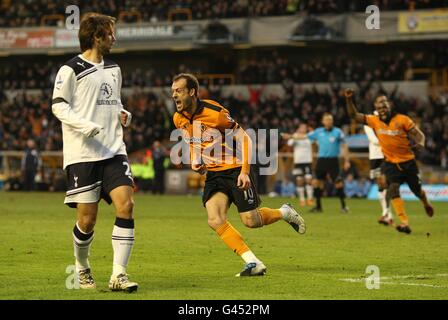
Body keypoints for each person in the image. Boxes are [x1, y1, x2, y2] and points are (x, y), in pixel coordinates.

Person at [171, 73, 306, 277]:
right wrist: (195, 158)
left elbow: (245, 139)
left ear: (192, 92)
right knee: (215, 219)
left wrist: (244, 171)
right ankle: (253, 262)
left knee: (251, 221)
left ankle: (284, 212)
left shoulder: (215, 113)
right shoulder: (178, 118)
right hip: (214, 175)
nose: (174, 95)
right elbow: (192, 140)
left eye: (178, 91)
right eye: (172, 91)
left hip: (235, 169)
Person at [51, 13, 138, 291]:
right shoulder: (70, 69)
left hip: (114, 150)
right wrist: (85, 125)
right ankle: (82, 267)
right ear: (96, 36)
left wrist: (122, 113)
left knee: (127, 205)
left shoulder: (114, 68)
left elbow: (112, 101)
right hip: (83, 154)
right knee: (87, 220)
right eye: (110, 33)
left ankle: (118, 275)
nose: (114, 38)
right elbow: (58, 106)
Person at [345, 88, 434, 234]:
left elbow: (419, 135)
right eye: (379, 107)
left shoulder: (403, 120)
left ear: (389, 106)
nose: (382, 109)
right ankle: (404, 222)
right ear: (376, 110)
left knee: (417, 192)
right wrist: (349, 99)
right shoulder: (374, 121)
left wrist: (421, 144)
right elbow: (353, 115)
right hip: (391, 162)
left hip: (408, 162)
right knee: (393, 188)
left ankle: (426, 203)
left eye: (384, 106)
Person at [289, 113, 350, 213]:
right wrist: (291, 136)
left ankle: (344, 206)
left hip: (333, 161)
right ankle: (318, 207)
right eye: (326, 120)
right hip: (321, 160)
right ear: (323, 121)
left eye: (330, 120)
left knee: (338, 182)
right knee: (317, 183)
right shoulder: (318, 132)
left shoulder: (338, 132)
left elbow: (344, 146)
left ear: (332, 121)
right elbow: (304, 137)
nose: (328, 122)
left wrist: (347, 160)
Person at [364, 111, 393, 225]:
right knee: (380, 185)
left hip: (387, 155)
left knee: (385, 183)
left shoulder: (388, 124)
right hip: (375, 157)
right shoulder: (367, 124)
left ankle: (387, 214)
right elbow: (374, 140)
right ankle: (386, 213)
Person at [281, 123, 314, 207]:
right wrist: (293, 136)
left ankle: (310, 198)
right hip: (298, 162)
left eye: (304, 127)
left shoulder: (309, 136)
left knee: (308, 179)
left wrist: (291, 136)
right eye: (301, 127)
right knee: (299, 180)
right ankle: (302, 199)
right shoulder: (295, 135)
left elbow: (313, 141)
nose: (303, 129)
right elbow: (289, 143)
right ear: (299, 128)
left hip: (307, 161)